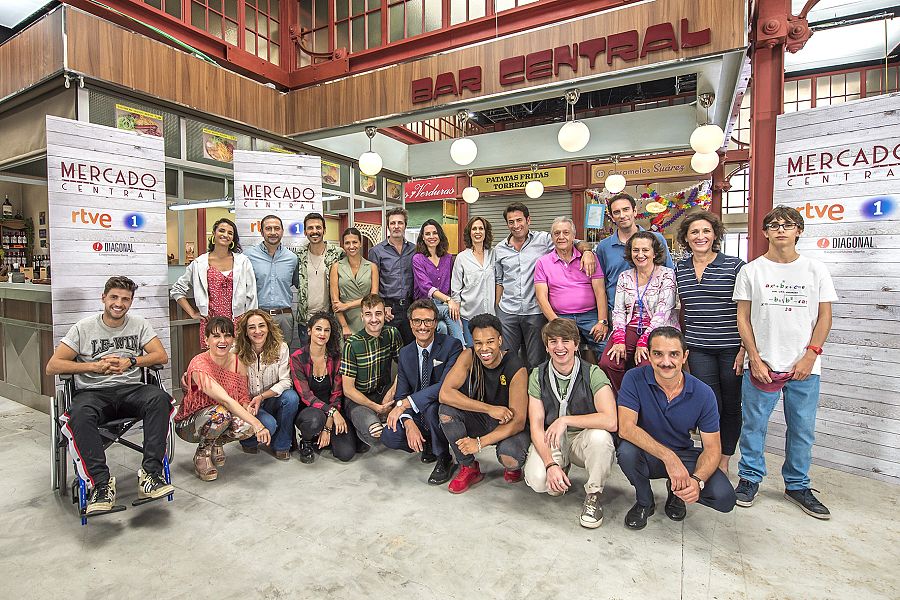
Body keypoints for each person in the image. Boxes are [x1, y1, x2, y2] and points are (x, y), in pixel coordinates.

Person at [732, 206, 837, 519]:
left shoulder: (815, 270)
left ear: (799, 231)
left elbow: (825, 317)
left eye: (788, 225)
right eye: (774, 225)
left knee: (802, 429)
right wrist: (754, 357)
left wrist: (810, 354)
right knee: (754, 426)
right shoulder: (752, 271)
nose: (781, 230)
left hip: (805, 367)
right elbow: (743, 318)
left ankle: (797, 484)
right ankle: (750, 479)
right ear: (765, 232)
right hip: (762, 365)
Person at [47, 276, 175, 516]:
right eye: (114, 297)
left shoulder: (139, 325)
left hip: (131, 389)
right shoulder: (83, 328)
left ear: (131, 302)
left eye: (125, 299)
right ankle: (100, 484)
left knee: (160, 398)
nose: (119, 303)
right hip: (93, 393)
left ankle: (150, 474)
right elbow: (53, 366)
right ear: (103, 298)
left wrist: (132, 361)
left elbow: (160, 356)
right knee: (78, 413)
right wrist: (93, 367)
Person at [616, 327, 736, 530]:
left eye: (674, 354)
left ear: (685, 356)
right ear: (649, 354)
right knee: (626, 451)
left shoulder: (703, 393)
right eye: (658, 354)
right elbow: (626, 428)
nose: (666, 362)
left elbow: (713, 448)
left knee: (724, 498)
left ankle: (677, 493)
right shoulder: (633, 378)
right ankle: (645, 501)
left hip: (684, 454)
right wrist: (669, 458)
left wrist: (697, 481)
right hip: (647, 454)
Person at [522, 318, 617, 529]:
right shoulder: (538, 374)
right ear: (546, 347)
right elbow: (536, 426)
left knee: (601, 438)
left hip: (581, 437)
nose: (559, 347)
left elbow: (610, 420)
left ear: (576, 344)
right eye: (553, 341)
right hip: (552, 437)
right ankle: (560, 467)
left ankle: (593, 495)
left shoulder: (593, 373)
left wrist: (565, 420)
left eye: (565, 340)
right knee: (540, 482)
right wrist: (550, 464)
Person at [675, 211, 746, 472]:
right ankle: (711, 454)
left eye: (706, 231)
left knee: (731, 404)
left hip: (730, 347)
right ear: (686, 237)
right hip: (697, 347)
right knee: (709, 403)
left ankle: (725, 458)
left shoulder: (735, 266)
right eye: (694, 232)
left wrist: (744, 348)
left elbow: (747, 311)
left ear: (715, 235)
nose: (700, 236)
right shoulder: (679, 269)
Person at [494, 202, 596, 370]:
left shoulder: (544, 240)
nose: (516, 225)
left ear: (528, 220)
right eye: (511, 222)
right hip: (508, 312)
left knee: (536, 360)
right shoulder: (499, 249)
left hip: (535, 311)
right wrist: (497, 308)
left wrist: (587, 251)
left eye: (519, 220)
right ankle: (511, 394)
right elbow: (499, 280)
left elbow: (573, 241)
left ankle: (535, 393)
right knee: (507, 359)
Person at [438, 313, 530, 493]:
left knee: (510, 458)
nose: (484, 348)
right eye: (478, 343)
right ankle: (469, 467)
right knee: (446, 412)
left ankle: (513, 466)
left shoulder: (516, 366)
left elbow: (518, 421)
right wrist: (489, 409)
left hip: (508, 424)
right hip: (483, 417)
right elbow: (445, 394)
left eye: (490, 342)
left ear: (500, 340)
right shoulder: (468, 355)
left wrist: (479, 443)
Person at [174, 317, 272, 481]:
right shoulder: (199, 364)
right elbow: (226, 400)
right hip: (189, 424)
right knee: (223, 413)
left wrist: (248, 408)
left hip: (220, 416)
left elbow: (242, 396)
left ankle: (216, 442)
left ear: (233, 339)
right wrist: (258, 425)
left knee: (245, 425)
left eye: (227, 336)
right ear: (206, 340)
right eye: (216, 336)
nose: (222, 341)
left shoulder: (237, 362)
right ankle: (202, 454)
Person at [383, 299, 464, 484]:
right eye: (417, 321)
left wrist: (404, 404)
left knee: (432, 409)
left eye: (428, 321)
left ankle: (444, 457)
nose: (423, 326)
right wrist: (408, 421)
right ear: (410, 323)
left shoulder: (452, 346)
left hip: (440, 407)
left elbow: (445, 386)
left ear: (435, 323)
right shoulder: (405, 353)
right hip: (416, 410)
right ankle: (426, 443)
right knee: (390, 434)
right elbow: (401, 393)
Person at [598, 231, 678, 395]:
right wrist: (619, 338)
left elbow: (663, 312)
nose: (640, 255)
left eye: (645, 250)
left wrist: (644, 342)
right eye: (635, 250)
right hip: (630, 327)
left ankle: (644, 403)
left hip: (658, 329)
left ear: (654, 253)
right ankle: (624, 399)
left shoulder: (667, 274)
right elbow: (619, 310)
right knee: (609, 362)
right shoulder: (625, 277)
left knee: (646, 364)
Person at [172, 217, 257, 349]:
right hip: (211, 324)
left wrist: (250, 321)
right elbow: (177, 290)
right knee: (213, 364)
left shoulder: (243, 261)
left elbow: (252, 294)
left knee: (237, 363)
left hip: (238, 323)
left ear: (233, 238)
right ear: (214, 233)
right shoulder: (199, 263)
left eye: (230, 233)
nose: (225, 235)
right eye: (222, 230)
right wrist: (193, 313)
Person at [534, 216, 609, 360]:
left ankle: (604, 382)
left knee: (607, 350)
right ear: (552, 237)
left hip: (590, 316)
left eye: (566, 233)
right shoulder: (543, 263)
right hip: (560, 316)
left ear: (574, 236)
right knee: (561, 351)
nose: (561, 237)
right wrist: (556, 322)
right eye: (557, 233)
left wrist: (602, 321)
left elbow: (600, 292)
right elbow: (541, 297)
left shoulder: (589, 258)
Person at [234, 309, 300, 461]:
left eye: (261, 326)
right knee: (269, 424)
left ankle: (282, 445)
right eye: (251, 327)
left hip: (269, 399)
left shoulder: (281, 347)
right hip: (248, 403)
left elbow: (286, 381)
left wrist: (262, 396)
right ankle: (249, 440)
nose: (257, 331)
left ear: (268, 327)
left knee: (291, 397)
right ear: (245, 331)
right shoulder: (236, 351)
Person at [339, 294, 403, 451]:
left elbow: (405, 367)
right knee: (376, 434)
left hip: (384, 393)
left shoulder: (392, 333)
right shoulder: (352, 344)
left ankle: (376, 418)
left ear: (384, 314)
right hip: (359, 399)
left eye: (378, 313)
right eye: (368, 314)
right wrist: (376, 408)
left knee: (402, 428)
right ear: (362, 317)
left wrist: (392, 392)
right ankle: (359, 425)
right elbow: (348, 390)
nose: (374, 319)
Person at [291, 312, 355, 463]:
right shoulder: (298, 357)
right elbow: (306, 396)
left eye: (327, 330)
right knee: (314, 420)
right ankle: (306, 441)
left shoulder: (336, 357)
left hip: (333, 409)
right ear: (309, 331)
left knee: (346, 453)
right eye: (318, 329)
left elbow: (337, 393)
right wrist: (331, 412)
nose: (322, 334)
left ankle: (323, 436)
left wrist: (329, 423)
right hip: (309, 410)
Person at [594, 193, 673, 315]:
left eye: (626, 209)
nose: (622, 215)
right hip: (617, 313)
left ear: (635, 211)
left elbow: (670, 275)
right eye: (616, 212)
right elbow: (600, 284)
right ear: (611, 217)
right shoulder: (604, 247)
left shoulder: (656, 239)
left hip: (654, 313)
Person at [244, 214, 300, 349]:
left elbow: (295, 283)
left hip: (284, 317)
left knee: (283, 355)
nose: (273, 232)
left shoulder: (292, 258)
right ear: (261, 231)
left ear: (282, 231)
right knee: (257, 355)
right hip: (259, 316)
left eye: (277, 228)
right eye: (268, 229)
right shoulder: (248, 256)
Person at [412, 219, 466, 346]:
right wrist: (449, 301)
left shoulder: (448, 258)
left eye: (435, 233)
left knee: (442, 327)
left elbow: (454, 283)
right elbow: (426, 287)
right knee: (449, 311)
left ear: (440, 236)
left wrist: (451, 301)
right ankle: (463, 349)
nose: (431, 236)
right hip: (425, 305)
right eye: (427, 234)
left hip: (444, 303)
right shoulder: (418, 259)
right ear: (423, 238)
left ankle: (444, 357)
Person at [294, 212, 344, 346]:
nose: (314, 231)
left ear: (324, 230)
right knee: (307, 361)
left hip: (330, 319)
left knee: (331, 360)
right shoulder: (298, 256)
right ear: (305, 231)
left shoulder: (338, 254)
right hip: (305, 321)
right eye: (310, 228)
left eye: (318, 227)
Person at [369, 207, 417, 345]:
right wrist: (381, 306)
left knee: (410, 350)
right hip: (388, 310)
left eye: (400, 223)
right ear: (388, 226)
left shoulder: (415, 250)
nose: (396, 226)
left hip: (410, 308)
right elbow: (373, 283)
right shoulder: (376, 251)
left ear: (405, 226)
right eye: (392, 223)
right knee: (386, 352)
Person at [450, 216, 496, 347]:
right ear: (469, 233)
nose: (478, 232)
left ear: (486, 232)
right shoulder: (462, 258)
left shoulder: (494, 254)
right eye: (474, 228)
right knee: (472, 352)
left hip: (491, 317)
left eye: (481, 228)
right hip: (469, 317)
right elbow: (456, 290)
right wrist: (457, 320)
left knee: (490, 353)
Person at [330, 227, 378, 338]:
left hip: (367, 316)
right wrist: (344, 326)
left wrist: (347, 305)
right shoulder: (336, 267)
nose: (351, 246)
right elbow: (335, 303)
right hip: (343, 319)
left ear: (360, 243)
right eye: (347, 243)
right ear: (343, 245)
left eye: (355, 242)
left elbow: (374, 296)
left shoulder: (372, 267)